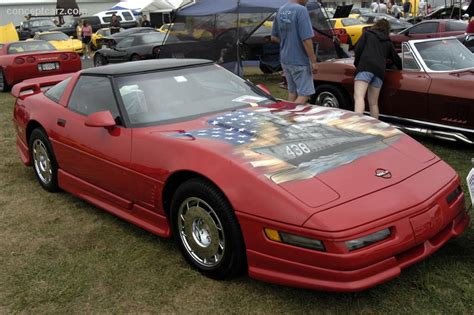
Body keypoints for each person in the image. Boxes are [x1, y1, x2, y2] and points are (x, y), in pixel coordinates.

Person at [271, 0, 318, 104]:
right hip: (299, 59)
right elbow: (306, 39)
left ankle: (290, 118)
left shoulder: (280, 10)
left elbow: (273, 37)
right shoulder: (301, 10)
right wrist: (314, 61)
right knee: (305, 94)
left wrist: (287, 41)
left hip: (285, 59)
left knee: (292, 92)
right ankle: (290, 117)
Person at [353, 19, 401, 119]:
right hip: (380, 72)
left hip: (365, 67)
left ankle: (356, 125)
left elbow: (358, 49)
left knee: (359, 97)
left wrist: (357, 64)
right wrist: (400, 68)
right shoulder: (388, 41)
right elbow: (396, 59)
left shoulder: (367, 34)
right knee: (374, 103)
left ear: (376, 25)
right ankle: (375, 127)